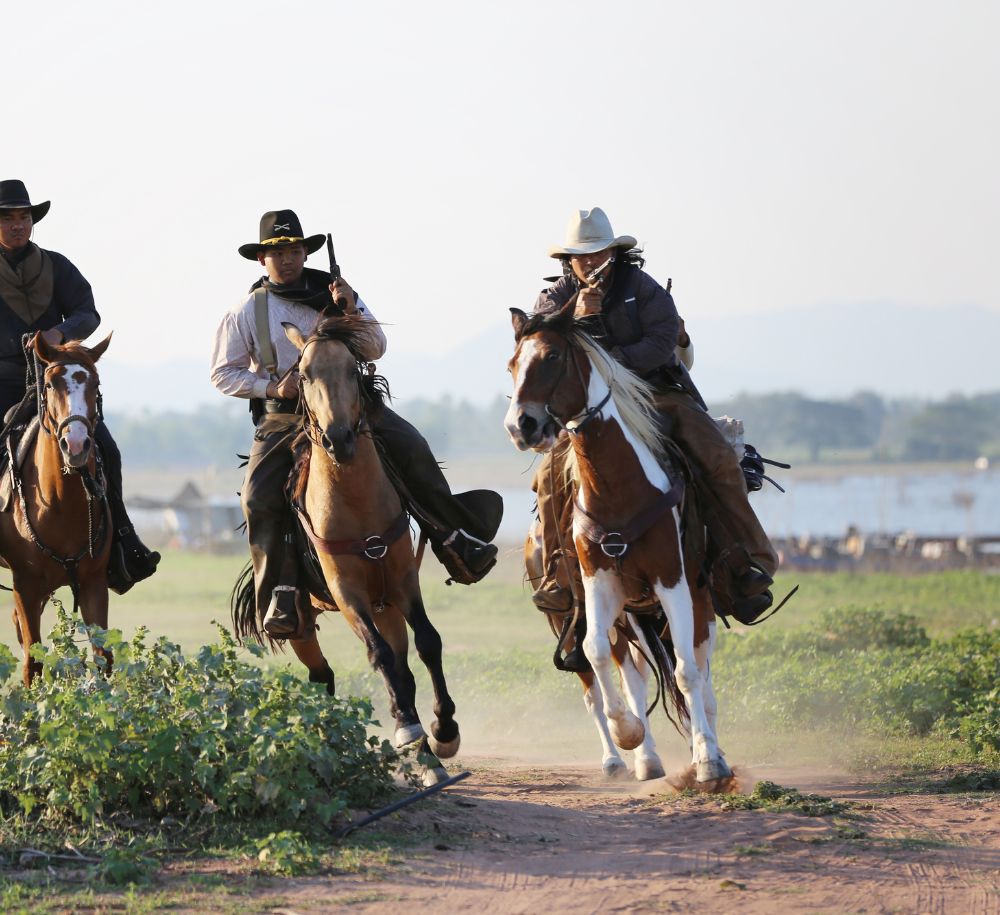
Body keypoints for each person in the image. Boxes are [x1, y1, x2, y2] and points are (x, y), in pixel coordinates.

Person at [210, 209, 502, 664]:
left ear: (305, 252)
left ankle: (453, 538)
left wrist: (351, 309)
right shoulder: (245, 312)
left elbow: (376, 349)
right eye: (277, 252)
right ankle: (280, 592)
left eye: (294, 250)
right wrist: (272, 386)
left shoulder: (336, 293)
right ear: (262, 259)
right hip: (285, 418)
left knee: (412, 447)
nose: (287, 259)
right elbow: (222, 373)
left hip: (354, 406)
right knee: (256, 498)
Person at [528, 207, 778, 636]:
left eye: (597, 252)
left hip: (654, 394)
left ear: (614, 251)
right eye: (580, 254)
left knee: (716, 455)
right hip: (585, 408)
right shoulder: (554, 300)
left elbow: (663, 340)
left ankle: (746, 560)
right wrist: (578, 317)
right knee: (550, 474)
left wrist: (614, 368)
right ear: (567, 260)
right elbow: (539, 346)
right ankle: (560, 574)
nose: (589, 261)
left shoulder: (642, 288)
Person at [0, 179, 160, 591]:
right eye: (8, 218)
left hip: (60, 385)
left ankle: (123, 540)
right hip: (4, 383)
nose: (18, 225)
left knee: (107, 448)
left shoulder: (58, 265)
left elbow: (88, 313)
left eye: (24, 217)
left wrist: (59, 332)